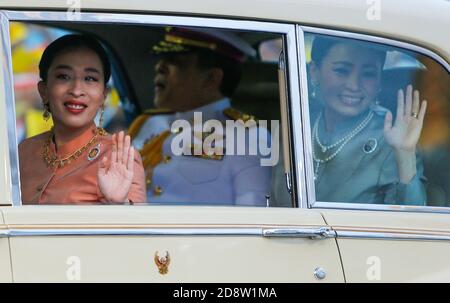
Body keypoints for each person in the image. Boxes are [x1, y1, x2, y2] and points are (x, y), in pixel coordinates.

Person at [273, 35, 427, 206]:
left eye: (368, 74)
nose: (354, 85)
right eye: (341, 71)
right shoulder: (296, 125)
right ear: (314, 72)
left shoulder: (390, 138)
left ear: (379, 81)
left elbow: (410, 223)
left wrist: (404, 155)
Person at [128, 27, 271, 206]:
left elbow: (254, 218)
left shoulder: (247, 136)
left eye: (175, 62)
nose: (160, 67)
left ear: (211, 78)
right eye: (162, 60)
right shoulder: (147, 123)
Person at [19, 34, 146, 204]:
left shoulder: (117, 158)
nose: (77, 90)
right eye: (64, 76)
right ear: (44, 91)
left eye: (90, 79)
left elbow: (136, 228)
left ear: (103, 96)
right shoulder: (24, 151)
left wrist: (118, 204)